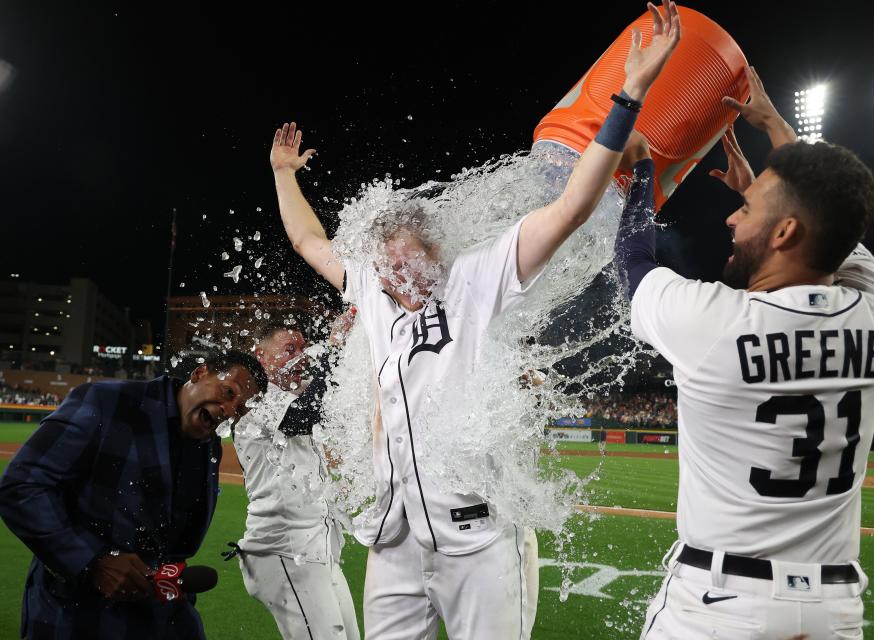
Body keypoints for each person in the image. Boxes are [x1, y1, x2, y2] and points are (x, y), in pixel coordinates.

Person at [268, 3, 682, 637]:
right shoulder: (376, 291)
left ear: (435, 251)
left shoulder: (478, 277)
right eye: (385, 269)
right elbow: (309, 243)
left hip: (480, 539)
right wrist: (282, 177)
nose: (394, 280)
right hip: (396, 537)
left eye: (406, 265)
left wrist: (628, 95)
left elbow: (571, 207)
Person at [613, 66, 874, 639]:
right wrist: (773, 129)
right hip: (833, 613)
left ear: (784, 233)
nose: (731, 215)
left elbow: (633, 264)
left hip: (716, 607)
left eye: (747, 210)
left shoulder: (715, 323)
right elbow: (833, 218)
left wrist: (643, 169)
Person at [0, 351, 266, 640]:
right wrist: (93, 561)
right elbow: (22, 486)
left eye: (240, 410)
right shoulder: (106, 401)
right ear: (200, 373)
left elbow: (172, 546)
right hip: (77, 618)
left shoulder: (209, 447)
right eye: (228, 393)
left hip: (161, 618)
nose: (228, 411)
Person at [229, 316, 360, 640]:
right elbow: (305, 414)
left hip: (316, 550)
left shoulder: (292, 394)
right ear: (260, 355)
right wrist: (335, 347)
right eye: (289, 349)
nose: (301, 356)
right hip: (284, 550)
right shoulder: (252, 399)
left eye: (303, 348)